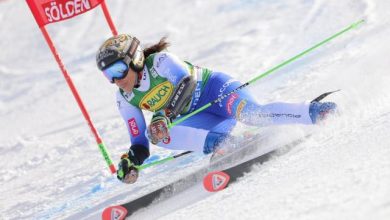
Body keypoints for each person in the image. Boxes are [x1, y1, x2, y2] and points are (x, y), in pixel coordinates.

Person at [95, 34, 336, 184]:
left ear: (135, 60)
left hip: (216, 92)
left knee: (252, 115)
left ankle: (315, 112)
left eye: (118, 70)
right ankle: (225, 144)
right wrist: (132, 160)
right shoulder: (124, 98)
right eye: (108, 75)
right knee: (156, 134)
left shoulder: (160, 62)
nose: (116, 80)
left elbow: (186, 83)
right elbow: (139, 141)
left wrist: (164, 114)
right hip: (201, 117)